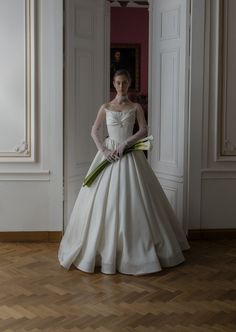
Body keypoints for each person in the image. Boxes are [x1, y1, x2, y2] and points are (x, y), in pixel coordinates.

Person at [58, 69, 190, 275]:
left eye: (125, 83)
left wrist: (126, 143)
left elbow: (144, 130)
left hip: (129, 154)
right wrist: (104, 150)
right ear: (114, 83)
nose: (121, 86)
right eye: (118, 83)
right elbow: (94, 130)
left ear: (129, 84)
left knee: (138, 198)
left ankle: (140, 250)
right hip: (109, 153)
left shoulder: (136, 107)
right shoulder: (106, 107)